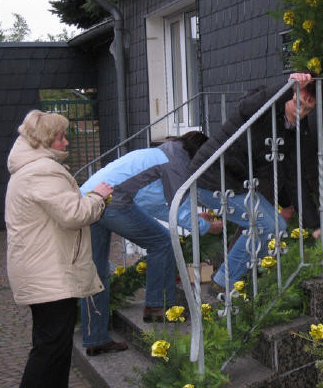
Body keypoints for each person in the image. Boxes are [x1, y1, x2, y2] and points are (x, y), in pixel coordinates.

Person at [188, 73, 323, 293]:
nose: (301, 112)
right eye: (297, 103)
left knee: (277, 226)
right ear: (287, 96)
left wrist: (314, 224)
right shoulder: (261, 110)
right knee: (266, 225)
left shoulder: (291, 133)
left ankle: (225, 281)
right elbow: (248, 105)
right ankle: (223, 283)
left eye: (308, 108)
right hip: (210, 179)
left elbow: (293, 179)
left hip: (236, 185)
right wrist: (288, 85)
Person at [79, 131, 222, 356]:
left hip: (89, 201)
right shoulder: (175, 162)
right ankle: (156, 305)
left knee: (95, 275)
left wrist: (196, 220)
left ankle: (96, 338)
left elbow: (156, 205)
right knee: (162, 242)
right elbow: (179, 209)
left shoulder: (159, 154)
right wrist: (207, 227)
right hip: (111, 204)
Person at [5, 110, 113, 388]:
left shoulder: (28, 169)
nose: (66, 143)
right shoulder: (42, 170)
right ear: (44, 140)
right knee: (50, 349)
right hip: (50, 275)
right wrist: (98, 197)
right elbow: (74, 214)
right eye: (61, 137)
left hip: (43, 271)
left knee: (54, 347)